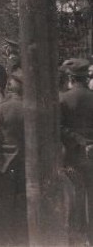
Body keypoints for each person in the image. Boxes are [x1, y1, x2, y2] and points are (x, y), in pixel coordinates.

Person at [0, 71, 27, 245]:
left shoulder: (2, 107)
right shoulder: (32, 106)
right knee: (22, 210)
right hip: (27, 165)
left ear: (11, 86)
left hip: (4, 166)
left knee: (2, 210)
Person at [58, 58, 93, 244]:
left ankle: (76, 236)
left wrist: (77, 142)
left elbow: (59, 128)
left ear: (71, 77)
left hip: (73, 155)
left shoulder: (63, 99)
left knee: (74, 195)